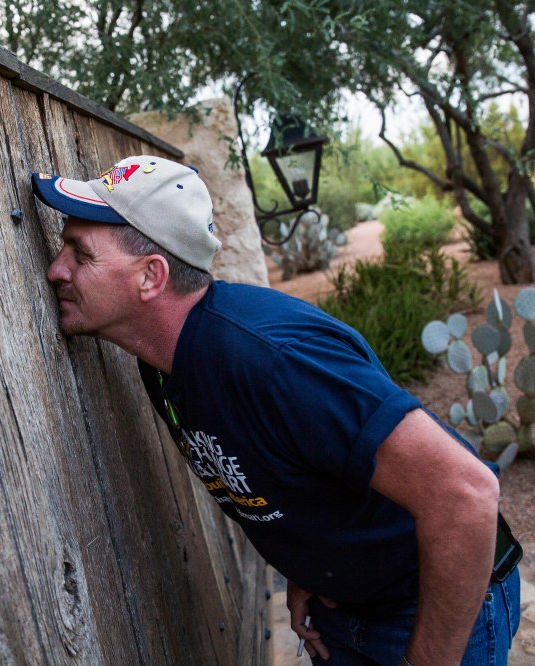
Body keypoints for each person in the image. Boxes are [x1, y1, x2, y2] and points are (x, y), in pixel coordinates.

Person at [31, 155, 521, 665]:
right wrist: (310, 567)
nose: (55, 269)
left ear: (151, 278)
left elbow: (466, 496)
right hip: (343, 610)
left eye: (80, 253)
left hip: (436, 608)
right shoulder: (161, 361)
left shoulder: (272, 359)